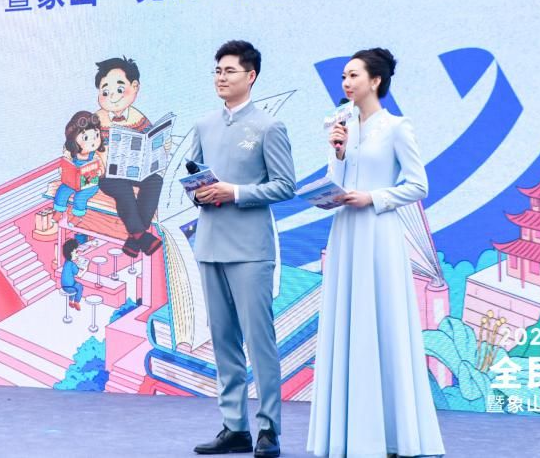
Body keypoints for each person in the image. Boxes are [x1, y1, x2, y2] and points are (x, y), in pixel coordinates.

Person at [308, 48, 444, 458]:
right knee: (347, 322)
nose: (346, 83)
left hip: (379, 231)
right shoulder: (341, 125)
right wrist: (337, 152)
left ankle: (392, 436)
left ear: (376, 80)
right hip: (345, 232)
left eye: (354, 75)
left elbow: (418, 185)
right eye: (343, 77)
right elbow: (335, 178)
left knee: (381, 322)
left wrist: (375, 197)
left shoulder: (397, 127)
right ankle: (345, 435)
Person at [185, 40, 295, 458]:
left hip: (251, 249)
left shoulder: (269, 127)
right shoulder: (203, 125)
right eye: (217, 70)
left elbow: (285, 186)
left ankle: (268, 429)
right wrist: (199, 193)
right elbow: (194, 181)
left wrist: (235, 192)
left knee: (259, 341)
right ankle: (234, 427)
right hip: (210, 245)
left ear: (251, 76)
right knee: (223, 341)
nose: (221, 77)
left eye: (229, 70)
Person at [91, 57, 163, 258]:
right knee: (123, 190)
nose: (112, 96)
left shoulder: (138, 117)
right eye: (105, 92)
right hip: (108, 174)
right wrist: (97, 161)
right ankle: (140, 235)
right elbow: (83, 143)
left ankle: (135, 238)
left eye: (120, 89)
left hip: (133, 170)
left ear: (135, 87)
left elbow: (150, 141)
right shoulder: (96, 118)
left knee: (155, 180)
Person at [54, 111, 103, 218]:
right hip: (72, 182)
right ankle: (58, 211)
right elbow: (65, 163)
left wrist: (99, 172)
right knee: (62, 191)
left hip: (90, 184)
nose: (93, 142)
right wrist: (63, 170)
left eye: (96, 135)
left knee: (80, 197)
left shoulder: (94, 156)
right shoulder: (72, 154)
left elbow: (100, 168)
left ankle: (77, 217)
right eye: (86, 138)